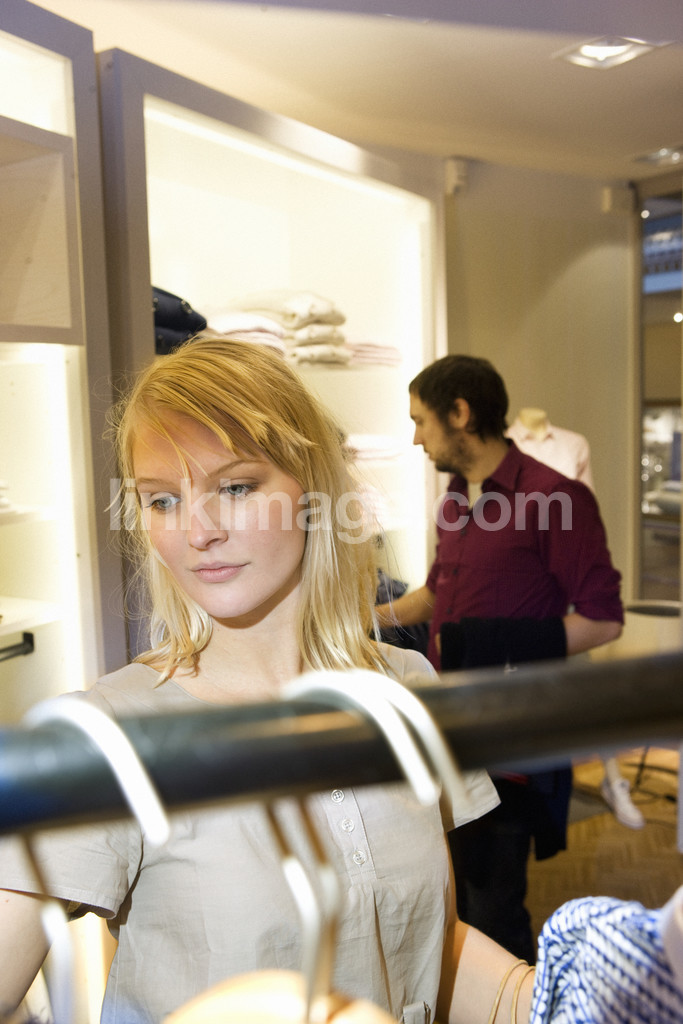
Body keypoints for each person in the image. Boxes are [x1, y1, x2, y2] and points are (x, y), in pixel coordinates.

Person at [0, 338, 536, 1024]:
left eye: (235, 487)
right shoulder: (110, 734)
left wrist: (549, 998)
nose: (197, 532)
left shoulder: (406, 686)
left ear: (313, 493)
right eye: (162, 500)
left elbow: (422, 949)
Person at [375, 354, 624, 964]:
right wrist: (363, 620)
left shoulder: (555, 498)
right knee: (457, 897)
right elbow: (435, 594)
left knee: (494, 912)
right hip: (449, 727)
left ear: (460, 413)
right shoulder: (456, 499)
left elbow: (603, 620)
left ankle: (517, 999)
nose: (416, 438)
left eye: (421, 421)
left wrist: (501, 644)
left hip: (509, 738)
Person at [507, 407, 644, 830]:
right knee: (519, 682)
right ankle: (522, 787)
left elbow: (585, 514)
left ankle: (613, 779)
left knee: (583, 682)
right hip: (518, 578)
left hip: (562, 577)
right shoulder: (504, 447)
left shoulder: (572, 444)